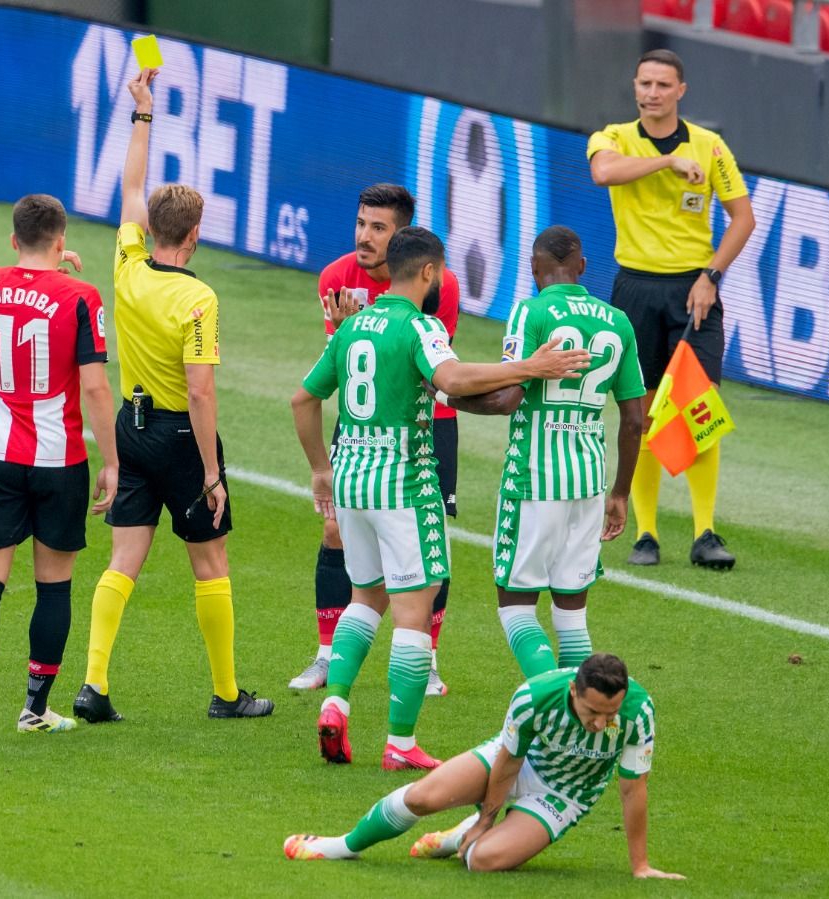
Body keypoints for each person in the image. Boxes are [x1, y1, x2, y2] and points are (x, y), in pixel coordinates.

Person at [291, 226, 590, 770]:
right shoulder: (422, 326)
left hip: (353, 479)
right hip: (403, 484)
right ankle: (400, 744)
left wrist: (320, 470)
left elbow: (303, 398)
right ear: (429, 272)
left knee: (366, 597)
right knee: (414, 610)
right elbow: (451, 375)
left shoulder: (354, 325)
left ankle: (335, 703)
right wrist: (531, 367)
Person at [72, 67, 273, 723]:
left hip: (131, 429)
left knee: (123, 557)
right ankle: (224, 692)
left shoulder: (127, 264)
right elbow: (200, 388)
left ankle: (94, 684)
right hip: (184, 437)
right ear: (194, 234)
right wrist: (212, 469)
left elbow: (132, 184)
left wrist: (143, 113)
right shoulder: (197, 298)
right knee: (209, 559)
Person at [0, 194, 120, 741]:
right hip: (57, 458)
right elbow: (93, 385)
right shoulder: (81, 297)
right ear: (63, 239)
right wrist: (112, 462)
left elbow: (15, 280)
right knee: (54, 586)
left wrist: (44, 269)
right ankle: (35, 706)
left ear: (13, 238)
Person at [444, 226, 645, 681]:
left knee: (516, 607)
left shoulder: (530, 312)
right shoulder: (618, 321)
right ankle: (580, 715)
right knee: (571, 613)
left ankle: (553, 702)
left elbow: (507, 398)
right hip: (590, 484)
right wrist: (620, 493)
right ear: (583, 268)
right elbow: (634, 420)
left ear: (534, 268)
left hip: (535, 479)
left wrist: (445, 397)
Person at [282, 653, 682, 880]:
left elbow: (633, 789)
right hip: (516, 764)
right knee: (423, 797)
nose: (601, 723)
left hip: (564, 797)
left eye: (609, 713)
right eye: (592, 711)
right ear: (573, 690)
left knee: (481, 861)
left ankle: (457, 838)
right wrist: (486, 819)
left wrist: (641, 866)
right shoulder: (533, 698)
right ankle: (342, 847)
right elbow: (508, 762)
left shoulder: (638, 713)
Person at [290, 184, 463, 698]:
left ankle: (426, 659)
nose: (364, 237)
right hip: (362, 421)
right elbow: (337, 372)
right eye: (361, 223)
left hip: (427, 420)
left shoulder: (441, 286)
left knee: (431, 548)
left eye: (378, 228)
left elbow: (432, 372)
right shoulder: (335, 277)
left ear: (402, 236)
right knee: (334, 531)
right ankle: (326, 657)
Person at [587, 48, 756, 571]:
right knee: (640, 411)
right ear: (634, 87)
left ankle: (705, 531)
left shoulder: (710, 147)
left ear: (681, 91)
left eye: (663, 85)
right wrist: (666, 161)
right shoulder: (612, 136)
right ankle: (645, 533)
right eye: (645, 84)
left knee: (698, 406)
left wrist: (711, 276)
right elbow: (604, 174)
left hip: (692, 289)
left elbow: (743, 218)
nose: (652, 93)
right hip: (635, 286)